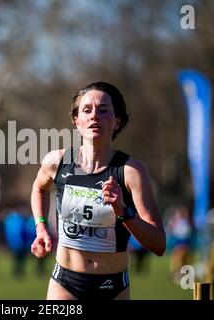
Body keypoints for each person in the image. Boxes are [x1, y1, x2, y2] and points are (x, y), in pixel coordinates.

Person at [30, 81, 166, 300]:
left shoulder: (131, 171)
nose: (94, 116)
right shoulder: (57, 161)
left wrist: (124, 211)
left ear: (117, 121)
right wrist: (41, 228)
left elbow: (159, 244)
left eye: (103, 110)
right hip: (65, 282)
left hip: (112, 286)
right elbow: (38, 188)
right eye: (87, 110)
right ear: (76, 121)